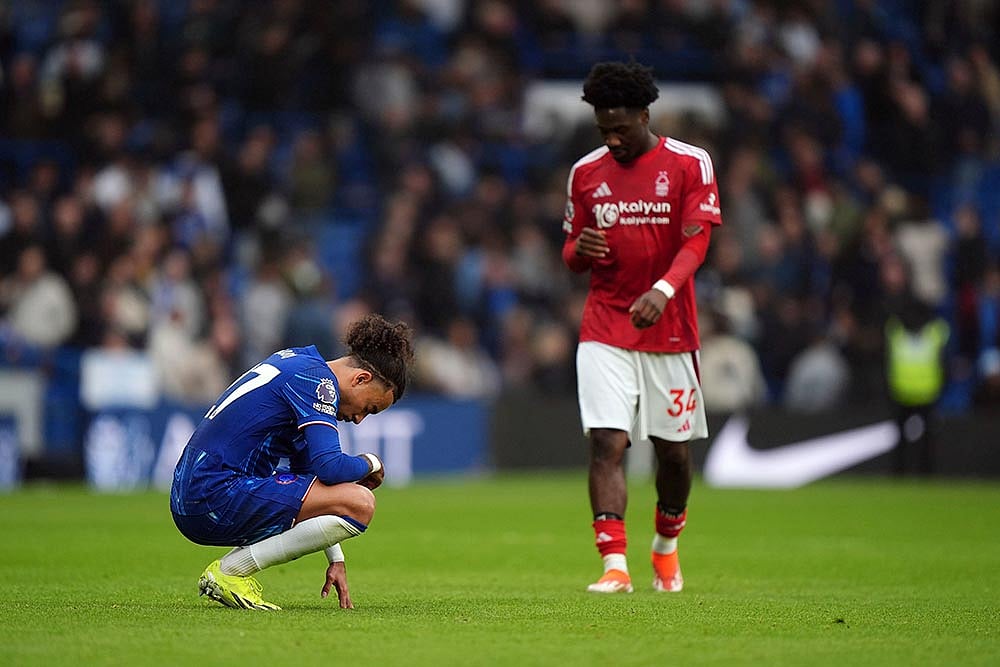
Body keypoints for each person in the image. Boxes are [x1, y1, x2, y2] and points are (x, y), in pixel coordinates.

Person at [561, 61, 722, 594]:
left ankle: (666, 546)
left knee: (672, 452)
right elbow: (571, 252)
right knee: (607, 442)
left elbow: (697, 241)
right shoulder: (585, 173)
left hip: (669, 328)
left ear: (645, 115)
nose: (612, 139)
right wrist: (577, 251)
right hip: (605, 323)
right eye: (603, 129)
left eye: (621, 129)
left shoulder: (689, 163)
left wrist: (664, 289)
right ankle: (614, 566)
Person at [170, 313, 414, 610]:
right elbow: (330, 466)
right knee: (362, 503)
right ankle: (230, 572)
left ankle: (230, 572)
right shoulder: (318, 381)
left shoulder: (298, 362)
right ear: (361, 379)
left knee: (349, 500)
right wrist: (372, 462)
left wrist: (336, 559)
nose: (359, 419)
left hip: (196, 494)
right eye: (370, 408)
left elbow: (314, 478)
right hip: (212, 494)